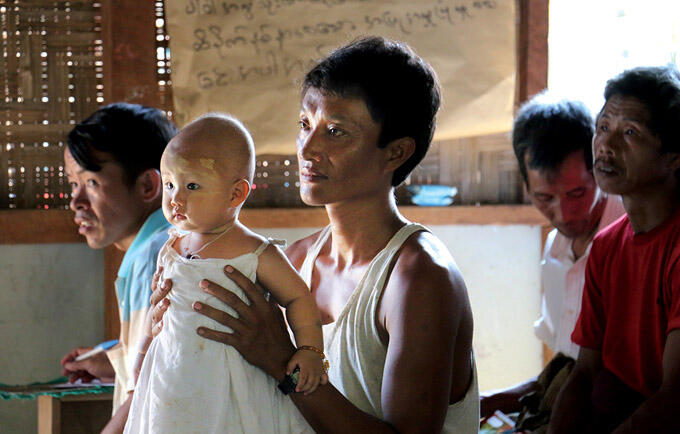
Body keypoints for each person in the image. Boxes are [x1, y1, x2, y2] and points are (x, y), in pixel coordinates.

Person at [151, 36, 478, 433]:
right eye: (306, 124)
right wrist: (174, 325)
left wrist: (282, 359)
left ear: (395, 152)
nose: (307, 148)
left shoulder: (419, 277)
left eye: (336, 131)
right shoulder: (294, 260)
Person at [125, 113, 325, 433]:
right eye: (170, 184)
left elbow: (299, 297)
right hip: (173, 377)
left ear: (236, 195)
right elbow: (159, 315)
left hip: (234, 383)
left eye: (192, 185)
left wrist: (311, 350)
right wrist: (139, 361)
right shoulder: (171, 246)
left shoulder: (255, 253)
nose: (176, 198)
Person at [549, 65, 680, 433]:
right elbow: (585, 371)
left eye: (630, 133)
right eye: (603, 127)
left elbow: (674, 398)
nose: (606, 145)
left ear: (674, 156)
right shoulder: (606, 246)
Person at [480, 96, 624, 419]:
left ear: (599, 169)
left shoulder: (633, 241)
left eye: (577, 193)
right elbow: (564, 373)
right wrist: (483, 403)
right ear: (526, 187)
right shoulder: (555, 253)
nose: (564, 214)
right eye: (544, 197)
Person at [59, 103, 177, 433]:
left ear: (147, 187)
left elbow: (148, 383)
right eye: (73, 184)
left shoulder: (151, 257)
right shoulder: (168, 241)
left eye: (92, 183)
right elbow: (160, 352)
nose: (76, 201)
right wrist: (111, 358)